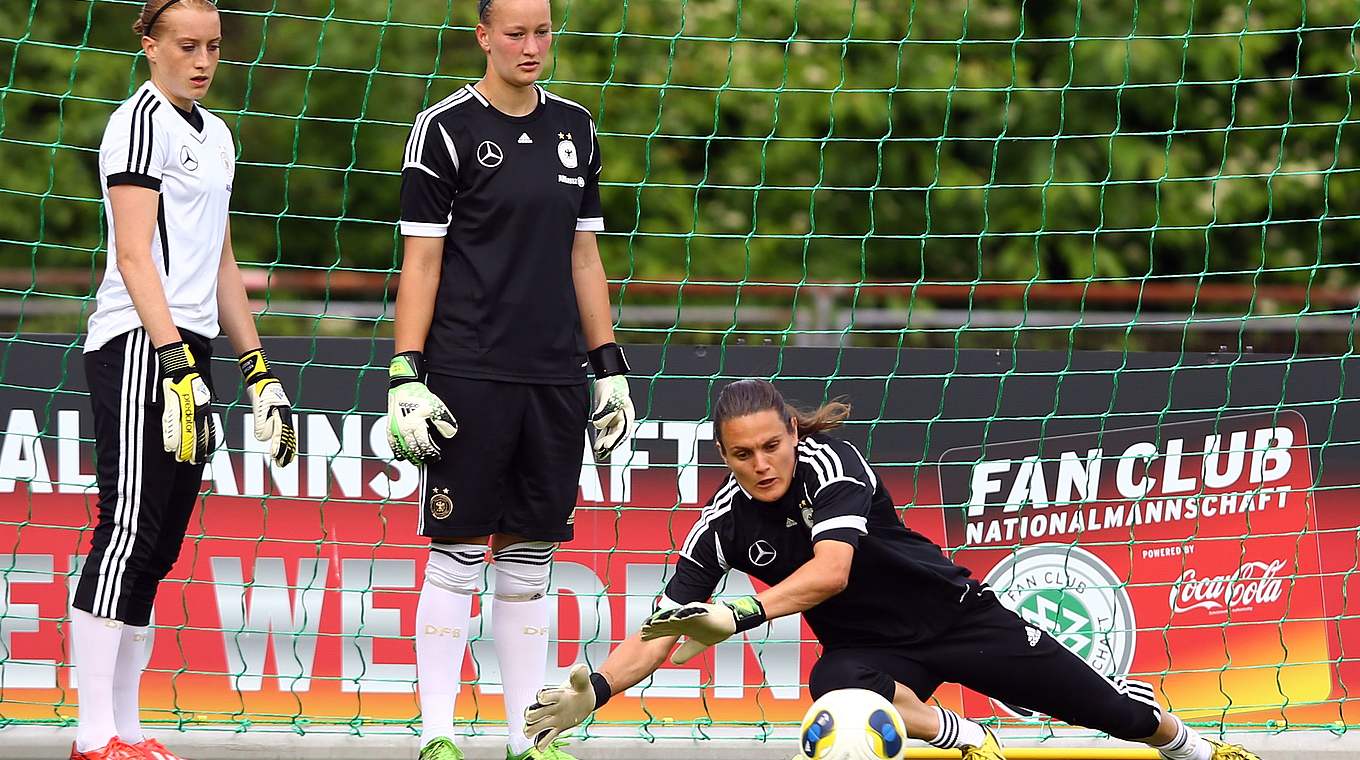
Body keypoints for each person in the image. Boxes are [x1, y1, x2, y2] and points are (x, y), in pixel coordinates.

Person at [520, 379, 1262, 760]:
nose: (762, 464)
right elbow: (665, 626)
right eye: (742, 455)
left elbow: (833, 570)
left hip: (955, 615)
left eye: (771, 445)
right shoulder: (724, 519)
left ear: (790, 431)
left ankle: (1192, 746)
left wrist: (742, 614)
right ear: (725, 456)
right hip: (869, 650)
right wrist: (601, 690)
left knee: (1114, 715)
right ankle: (961, 737)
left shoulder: (831, 460)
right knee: (831, 691)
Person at [385, 0, 635, 757]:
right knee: (458, 554)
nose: (531, 46)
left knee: (530, 561)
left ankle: (530, 736)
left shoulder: (577, 127)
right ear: (483, 37)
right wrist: (405, 373)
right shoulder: (444, 128)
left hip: (554, 377)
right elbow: (421, 261)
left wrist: (609, 367)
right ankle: (436, 736)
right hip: (467, 373)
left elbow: (584, 257)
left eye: (543, 31)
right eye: (516, 32)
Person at [70, 1, 299, 758]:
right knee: (128, 526)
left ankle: (127, 730)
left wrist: (257, 368)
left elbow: (222, 263)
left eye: (213, 47)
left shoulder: (219, 134)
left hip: (189, 352)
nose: (202, 60)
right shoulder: (138, 121)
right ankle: (92, 734)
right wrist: (171, 359)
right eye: (187, 46)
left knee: (162, 541)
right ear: (149, 45)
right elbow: (136, 256)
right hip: (141, 343)